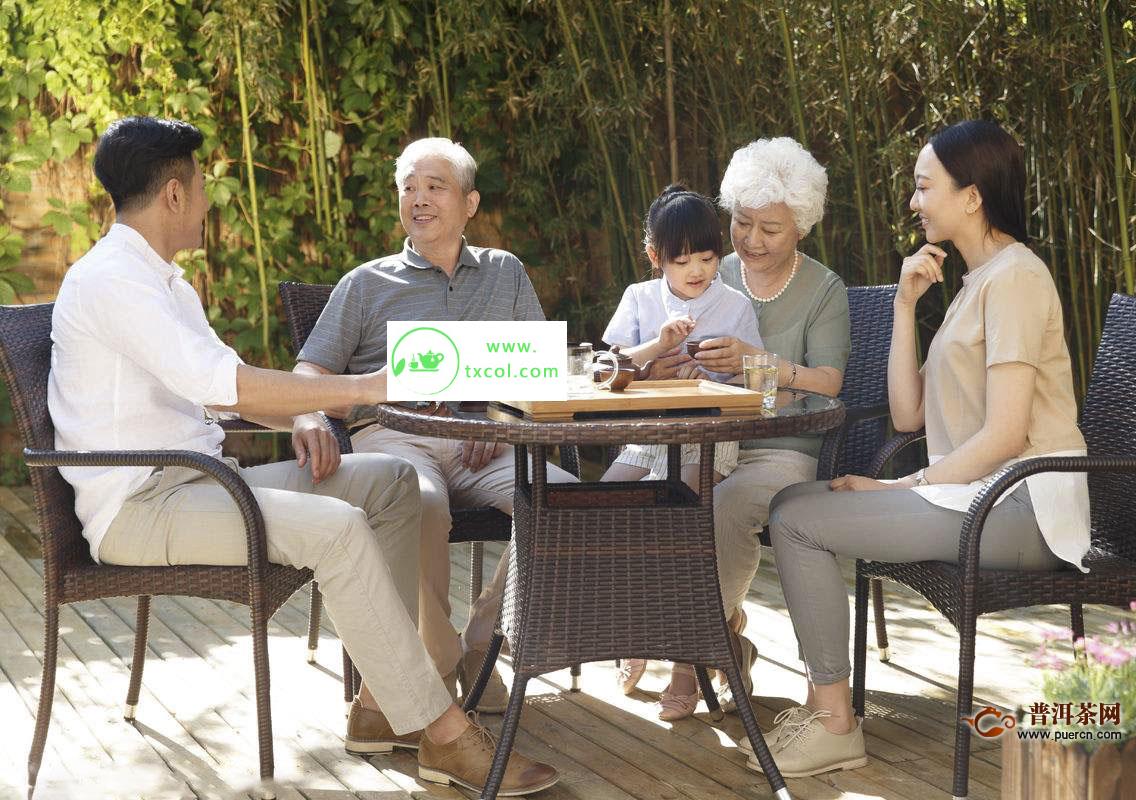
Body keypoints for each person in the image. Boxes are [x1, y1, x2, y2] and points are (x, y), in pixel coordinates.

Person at [50, 116, 558, 796]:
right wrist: (364, 389)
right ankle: (444, 735)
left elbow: (223, 393)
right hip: (144, 506)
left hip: (201, 483)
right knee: (339, 530)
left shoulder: (161, 280)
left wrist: (306, 412)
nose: (207, 198)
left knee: (391, 482)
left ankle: (382, 703)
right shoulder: (116, 280)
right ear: (173, 194)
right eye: (200, 185)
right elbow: (224, 385)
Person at [757, 120, 1087, 779]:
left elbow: (1006, 435)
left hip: (1025, 505)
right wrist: (906, 304)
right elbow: (909, 413)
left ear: (972, 195)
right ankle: (823, 705)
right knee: (792, 502)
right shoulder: (974, 284)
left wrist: (898, 489)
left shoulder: (1016, 280)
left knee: (796, 520)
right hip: (981, 496)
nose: (914, 201)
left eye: (923, 186)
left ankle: (834, 724)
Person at [293, 137, 577, 720]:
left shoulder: (506, 273)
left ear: (470, 203)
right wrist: (305, 411)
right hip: (396, 438)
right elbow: (310, 370)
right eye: (409, 188)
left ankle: (482, 642)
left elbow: (542, 372)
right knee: (418, 505)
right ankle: (439, 660)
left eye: (435, 187)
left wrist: (499, 417)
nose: (418, 199)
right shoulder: (366, 283)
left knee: (567, 503)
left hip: (490, 441)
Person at [617, 138, 851, 716]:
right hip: (689, 434)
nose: (751, 241)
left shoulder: (824, 290)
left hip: (778, 446)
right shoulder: (703, 268)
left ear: (801, 225)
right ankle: (709, 634)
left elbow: (829, 381)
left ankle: (687, 654)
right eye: (742, 224)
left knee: (719, 506)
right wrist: (660, 370)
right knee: (643, 496)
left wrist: (762, 364)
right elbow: (630, 352)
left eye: (769, 229)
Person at [600, 184, 763, 721]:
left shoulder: (734, 304)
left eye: (708, 257)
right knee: (607, 504)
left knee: (686, 518)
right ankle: (635, 629)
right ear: (656, 257)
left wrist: (716, 369)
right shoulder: (640, 298)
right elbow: (607, 370)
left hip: (708, 438)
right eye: (682, 259)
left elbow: (752, 381)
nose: (696, 270)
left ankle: (686, 661)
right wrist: (657, 352)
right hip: (647, 437)